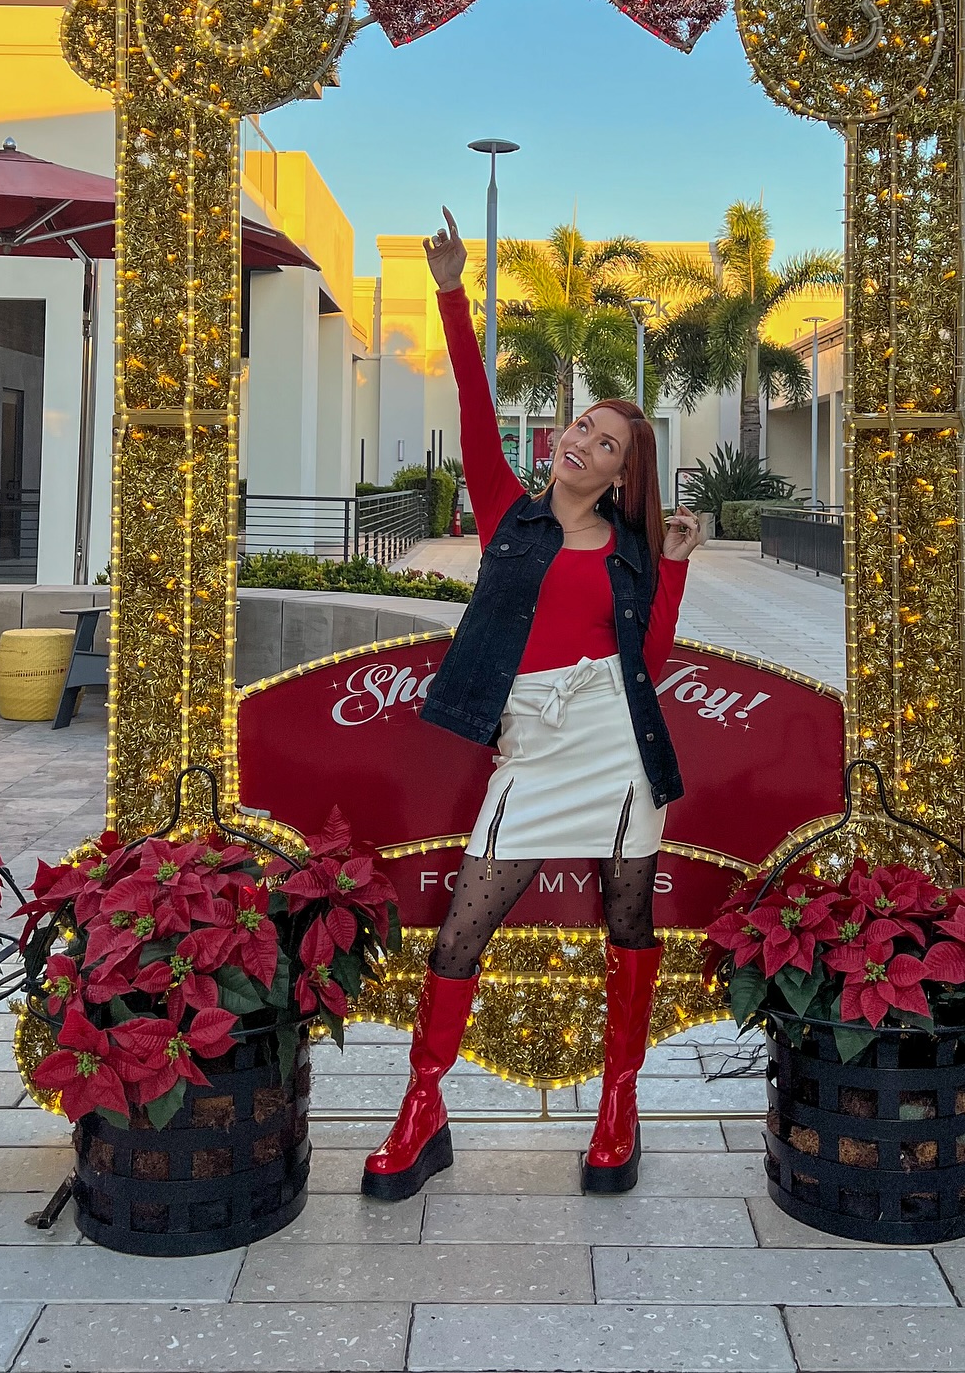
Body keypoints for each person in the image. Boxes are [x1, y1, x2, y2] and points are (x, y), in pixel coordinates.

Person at [363, 207, 702, 1204]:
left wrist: (675, 569)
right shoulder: (508, 509)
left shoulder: (632, 551)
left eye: (599, 442)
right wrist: (450, 291)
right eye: (577, 429)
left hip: (618, 735)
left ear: (618, 473)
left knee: (629, 917)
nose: (576, 443)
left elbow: (649, 658)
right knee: (464, 927)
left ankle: (617, 1110)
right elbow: (474, 404)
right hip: (533, 740)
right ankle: (422, 1110)